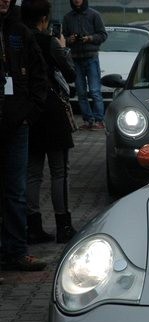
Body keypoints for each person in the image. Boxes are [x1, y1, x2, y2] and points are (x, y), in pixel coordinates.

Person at [22, 0, 77, 244]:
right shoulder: (48, 42)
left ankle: (33, 225)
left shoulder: (18, 40)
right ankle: (63, 224)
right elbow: (70, 73)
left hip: (29, 110)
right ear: (44, 18)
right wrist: (63, 48)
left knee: (33, 172)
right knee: (59, 171)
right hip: (52, 110)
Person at [0, 0, 48, 271]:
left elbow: (39, 74)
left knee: (16, 192)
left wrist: (31, 112)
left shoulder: (20, 32)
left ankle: (17, 251)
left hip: (18, 125)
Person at [62, 0, 106, 130]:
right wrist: (69, 39)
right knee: (81, 92)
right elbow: (62, 38)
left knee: (95, 91)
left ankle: (99, 120)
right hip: (75, 59)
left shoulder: (94, 15)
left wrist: (90, 38)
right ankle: (88, 121)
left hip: (91, 57)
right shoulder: (67, 17)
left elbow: (103, 35)